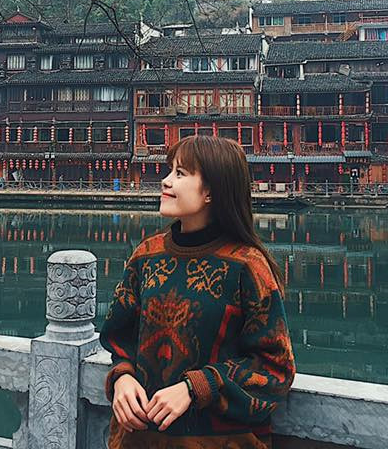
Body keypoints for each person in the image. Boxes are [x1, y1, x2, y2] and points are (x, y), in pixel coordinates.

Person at [100, 135, 295, 448]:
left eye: (180, 173)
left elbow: (275, 367)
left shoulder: (247, 266)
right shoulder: (146, 255)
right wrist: (122, 377)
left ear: (211, 192)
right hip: (139, 439)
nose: (165, 181)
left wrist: (196, 387)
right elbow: (120, 338)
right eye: (170, 171)